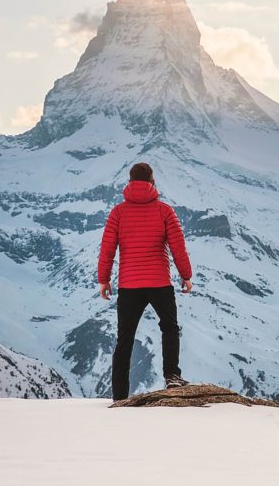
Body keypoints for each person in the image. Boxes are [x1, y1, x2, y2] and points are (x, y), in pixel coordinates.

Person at [98, 162, 193, 401]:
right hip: (159, 282)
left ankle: (119, 395)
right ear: (152, 181)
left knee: (125, 338)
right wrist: (186, 276)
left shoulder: (118, 212)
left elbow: (107, 249)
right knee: (169, 328)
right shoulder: (164, 211)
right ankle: (172, 375)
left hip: (129, 285)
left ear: (129, 182)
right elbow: (178, 247)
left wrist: (104, 279)